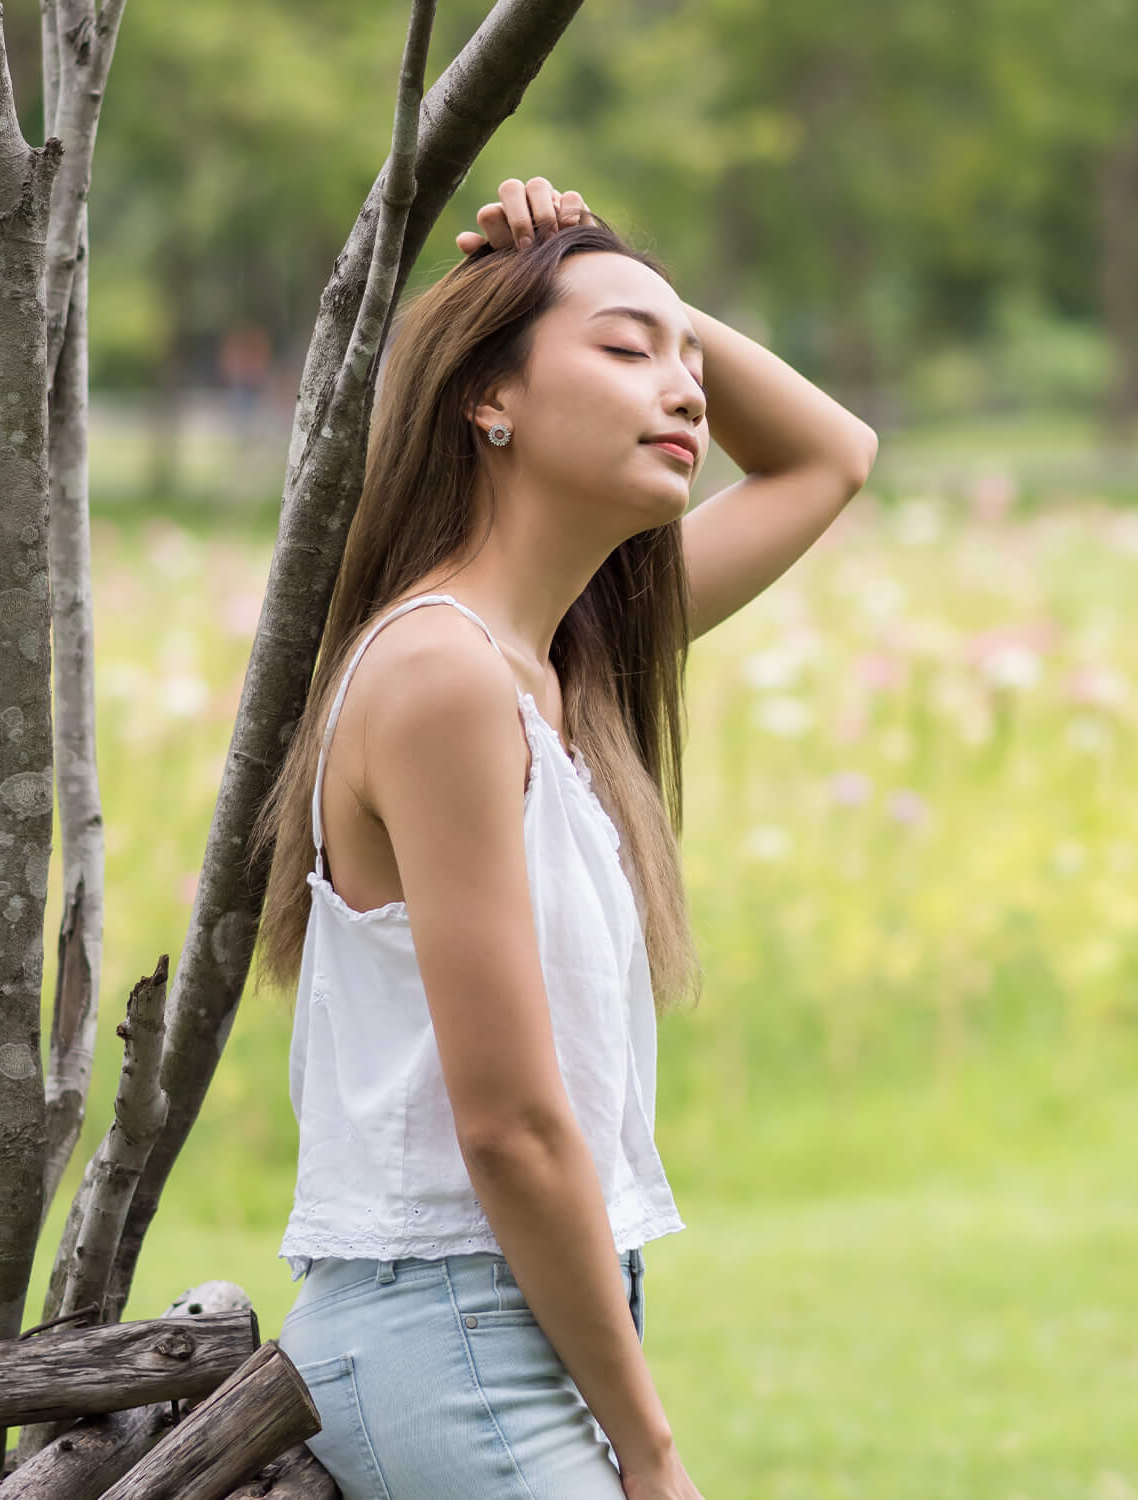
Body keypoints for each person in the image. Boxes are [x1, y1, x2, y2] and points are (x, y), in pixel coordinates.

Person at [255, 175, 877, 1500]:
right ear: (491, 397)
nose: (687, 391)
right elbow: (514, 1128)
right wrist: (651, 1454)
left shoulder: (565, 665)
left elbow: (833, 458)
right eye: (624, 353)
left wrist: (615, 280)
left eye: (688, 363)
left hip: (513, 1326)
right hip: (455, 1330)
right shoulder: (444, 675)